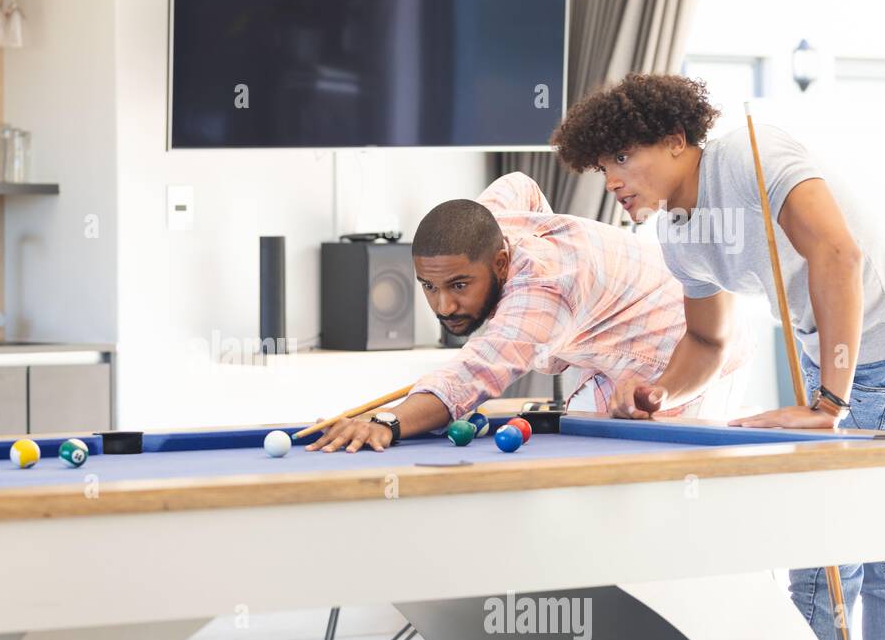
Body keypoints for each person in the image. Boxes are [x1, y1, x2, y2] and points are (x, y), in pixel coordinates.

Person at [551, 72, 885, 640]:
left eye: (622, 158)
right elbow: (706, 343)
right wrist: (661, 389)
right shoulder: (680, 236)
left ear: (677, 139)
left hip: (875, 351)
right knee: (852, 559)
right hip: (830, 355)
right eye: (601, 166)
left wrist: (827, 400)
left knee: (833, 559)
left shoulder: (750, 154)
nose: (612, 179)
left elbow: (839, 254)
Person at [304, 170, 750, 455]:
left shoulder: (543, 293)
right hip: (609, 350)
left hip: (683, 348)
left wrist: (388, 420)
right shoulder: (489, 222)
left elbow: (471, 378)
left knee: (649, 506)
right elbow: (521, 184)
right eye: (429, 287)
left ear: (500, 263)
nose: (444, 306)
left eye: (460, 286)